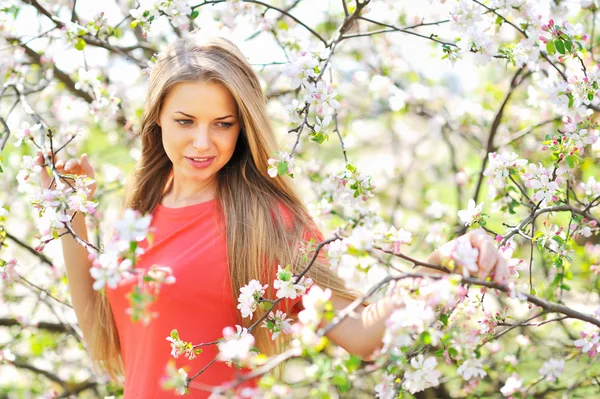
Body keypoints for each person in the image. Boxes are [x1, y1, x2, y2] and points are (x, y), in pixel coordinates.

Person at [35, 33, 508, 398]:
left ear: (244, 128)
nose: (203, 143)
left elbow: (362, 334)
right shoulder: (140, 211)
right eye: (185, 122)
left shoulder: (267, 222)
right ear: (156, 117)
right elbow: (104, 331)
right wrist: (70, 211)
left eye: (223, 124)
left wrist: (441, 265)